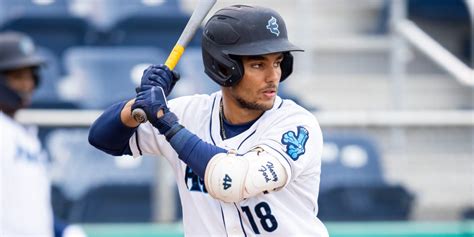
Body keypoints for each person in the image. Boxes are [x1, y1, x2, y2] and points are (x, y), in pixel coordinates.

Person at [89, 5, 328, 236]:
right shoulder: (191, 113)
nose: (273, 76)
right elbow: (103, 138)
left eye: (277, 62)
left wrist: (165, 121)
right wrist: (139, 104)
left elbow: (231, 181)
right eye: (258, 64)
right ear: (224, 68)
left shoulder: (296, 125)